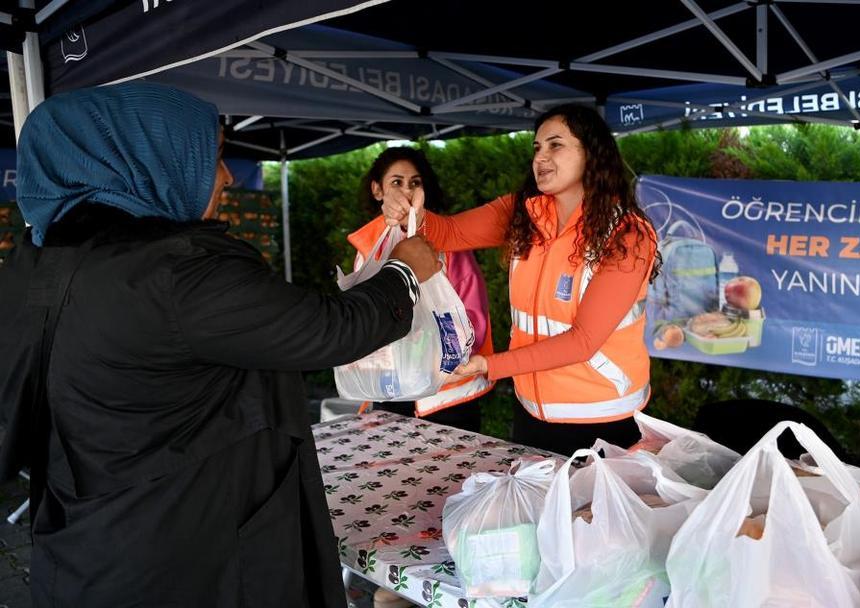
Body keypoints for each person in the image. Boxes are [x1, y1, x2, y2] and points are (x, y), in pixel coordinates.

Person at [0, 83, 440, 607]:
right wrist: (403, 273)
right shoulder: (178, 272)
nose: (228, 177)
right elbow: (328, 329)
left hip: (80, 548)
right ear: (152, 162)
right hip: (184, 558)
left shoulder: (33, 265)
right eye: (214, 157)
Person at [381, 104, 660, 456]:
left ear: (591, 153)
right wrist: (413, 215)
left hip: (601, 417)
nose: (540, 157)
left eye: (555, 145)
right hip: (530, 410)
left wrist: (490, 365)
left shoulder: (626, 234)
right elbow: (448, 232)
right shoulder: (523, 213)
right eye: (537, 147)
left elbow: (583, 341)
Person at [347, 147, 495, 433]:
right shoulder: (368, 248)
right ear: (377, 190)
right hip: (391, 392)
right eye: (397, 182)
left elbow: (472, 318)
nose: (406, 191)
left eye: (415, 182)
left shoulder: (449, 245)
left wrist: (435, 358)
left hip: (446, 396)